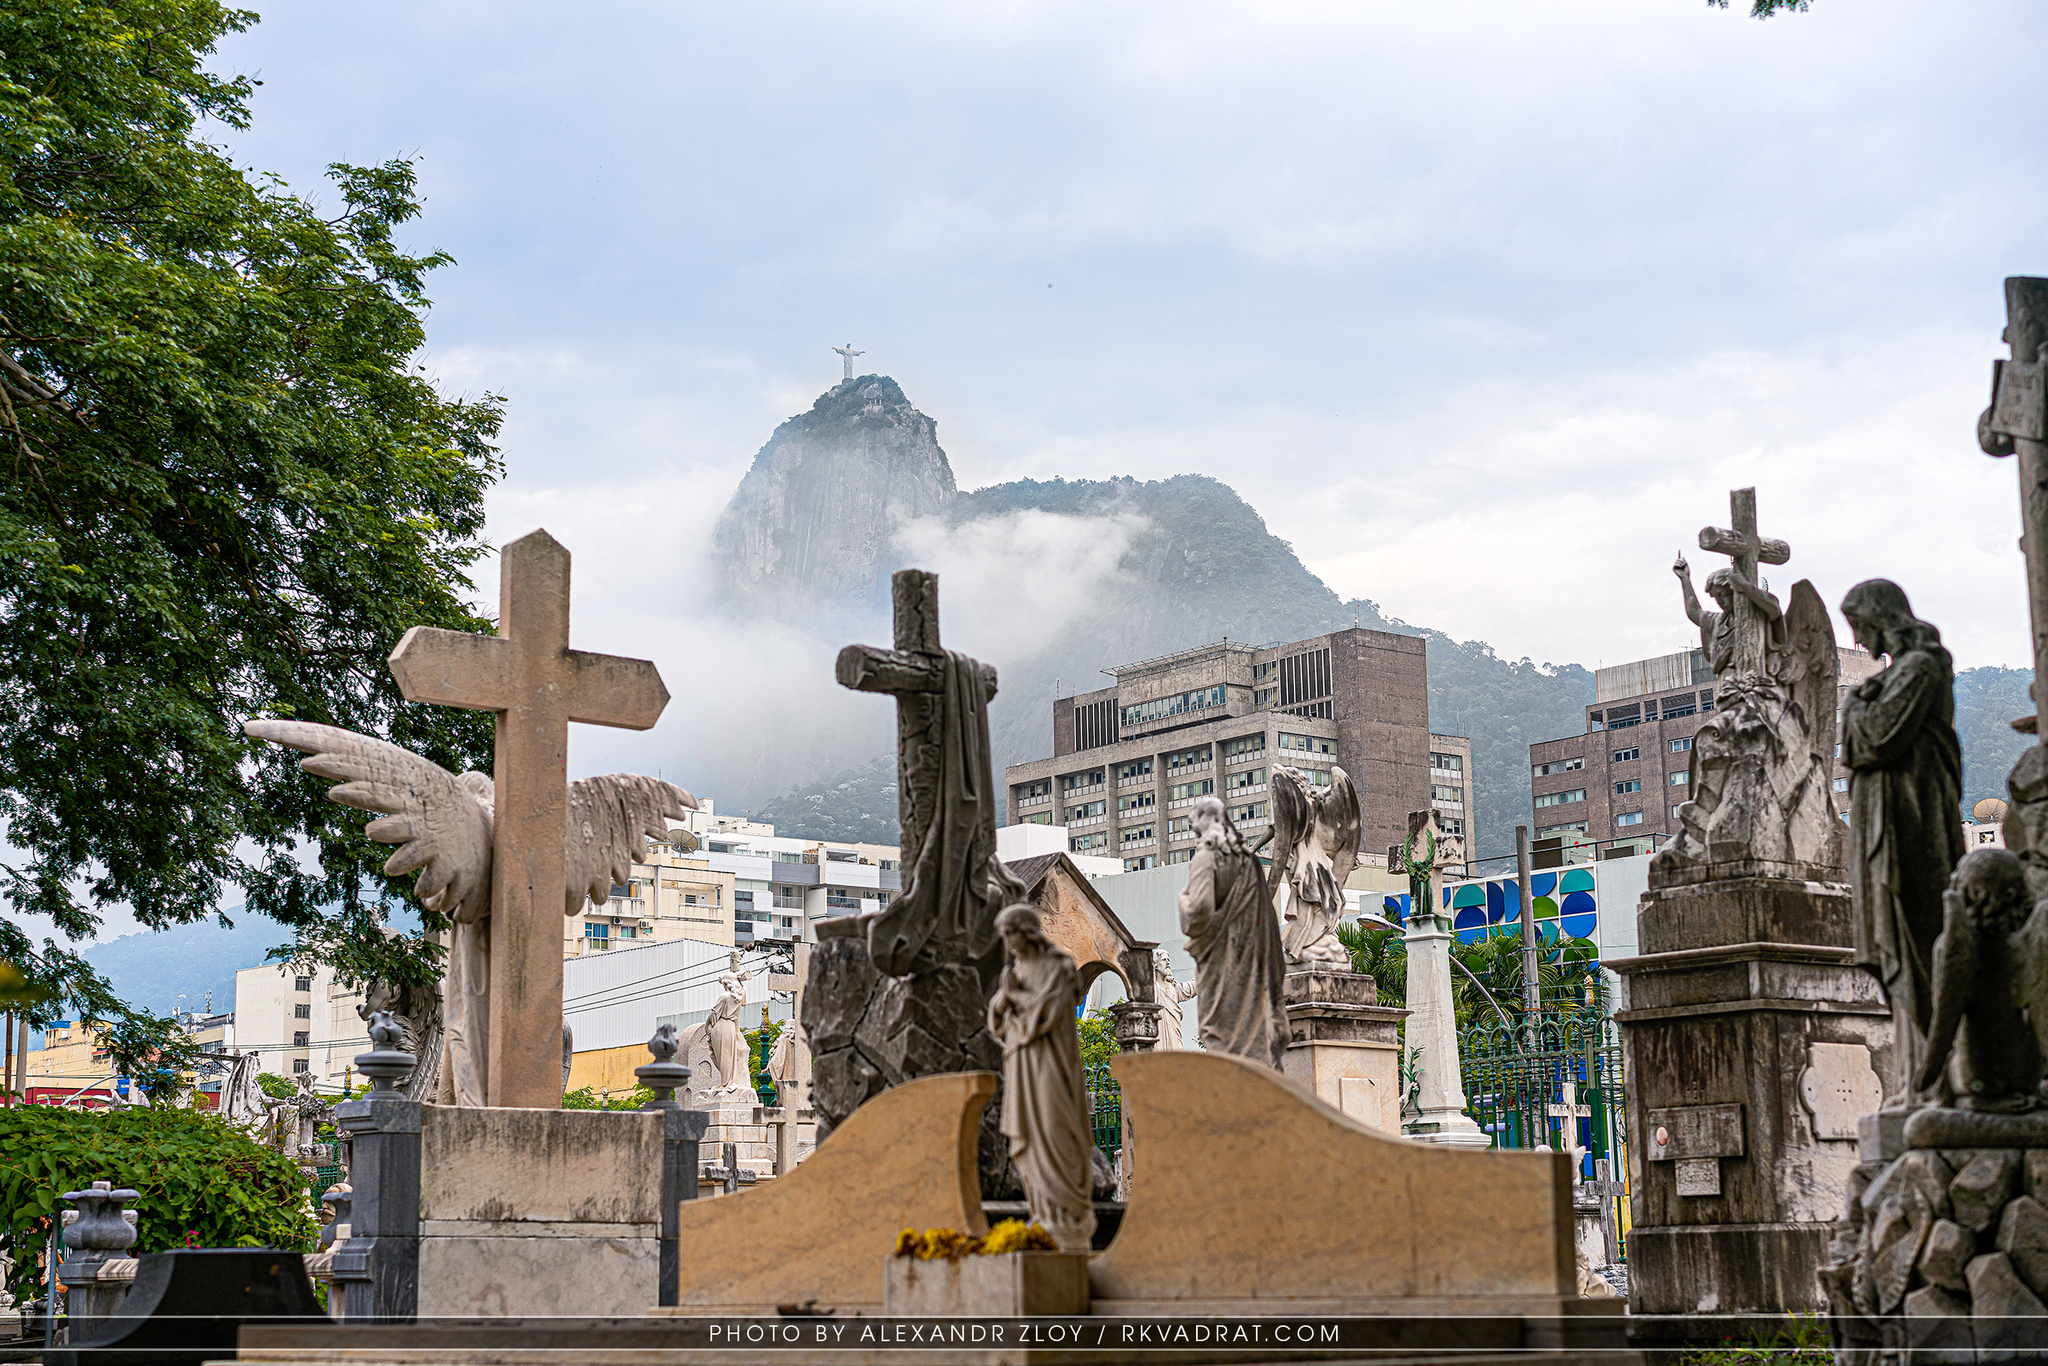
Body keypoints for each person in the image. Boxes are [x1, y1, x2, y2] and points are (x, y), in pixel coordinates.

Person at [1839, 578, 1966, 1105]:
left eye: (1860, 627)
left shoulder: (1920, 667)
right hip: (1886, 821)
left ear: (1880, 617)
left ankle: (1940, 1070)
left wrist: (1855, 704)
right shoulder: (1897, 675)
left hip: (1911, 823)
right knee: (1893, 939)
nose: (1860, 641)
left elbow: (1877, 740)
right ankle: (1923, 1070)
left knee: (1913, 932)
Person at [986, 903, 1096, 1253]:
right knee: (1028, 1140)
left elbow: (1045, 1013)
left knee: (1054, 1129)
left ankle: (1067, 1217)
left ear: (1027, 931)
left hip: (1050, 1063)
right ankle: (1044, 1215)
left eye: (1010, 934)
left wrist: (1012, 994)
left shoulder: (1059, 967)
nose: (1008, 943)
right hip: (1020, 1063)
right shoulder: (1016, 969)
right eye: (1003, 937)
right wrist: (1003, 998)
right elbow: (998, 1023)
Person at [1177, 796, 1286, 1070]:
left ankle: (1232, 1087)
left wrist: (1182, 901)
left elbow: (1199, 910)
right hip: (1250, 957)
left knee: (1219, 1027)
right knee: (1251, 1021)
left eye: (1193, 817)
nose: (1191, 824)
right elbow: (1266, 915)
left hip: (1220, 957)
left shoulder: (1206, 856)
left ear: (1207, 818)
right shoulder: (1246, 859)